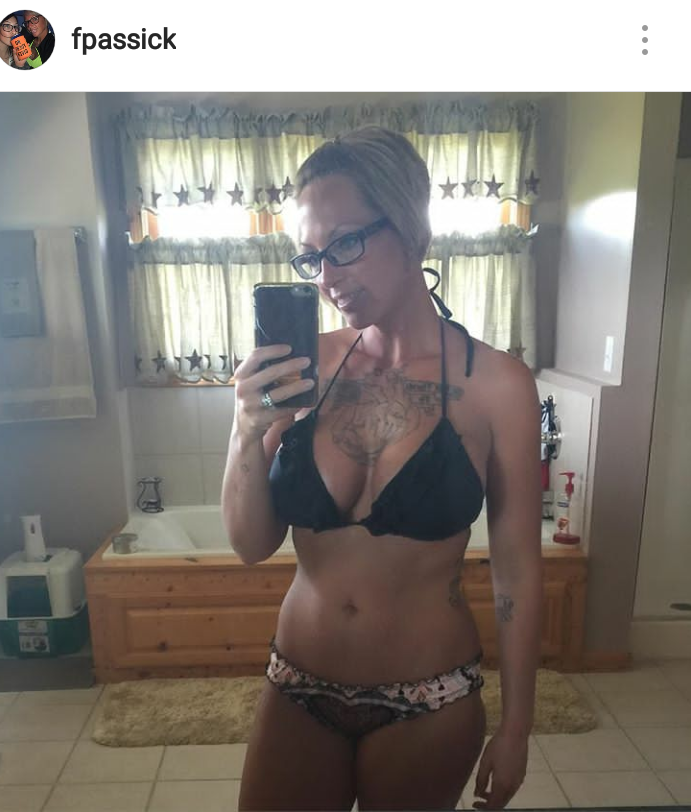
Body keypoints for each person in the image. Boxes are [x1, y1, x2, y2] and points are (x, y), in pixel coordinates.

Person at [222, 126, 543, 811]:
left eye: (345, 244)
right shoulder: (304, 364)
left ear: (411, 230)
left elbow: (516, 570)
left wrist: (518, 726)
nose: (327, 276)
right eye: (311, 257)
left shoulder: (498, 385)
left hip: (429, 699)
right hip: (297, 684)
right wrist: (245, 431)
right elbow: (250, 545)